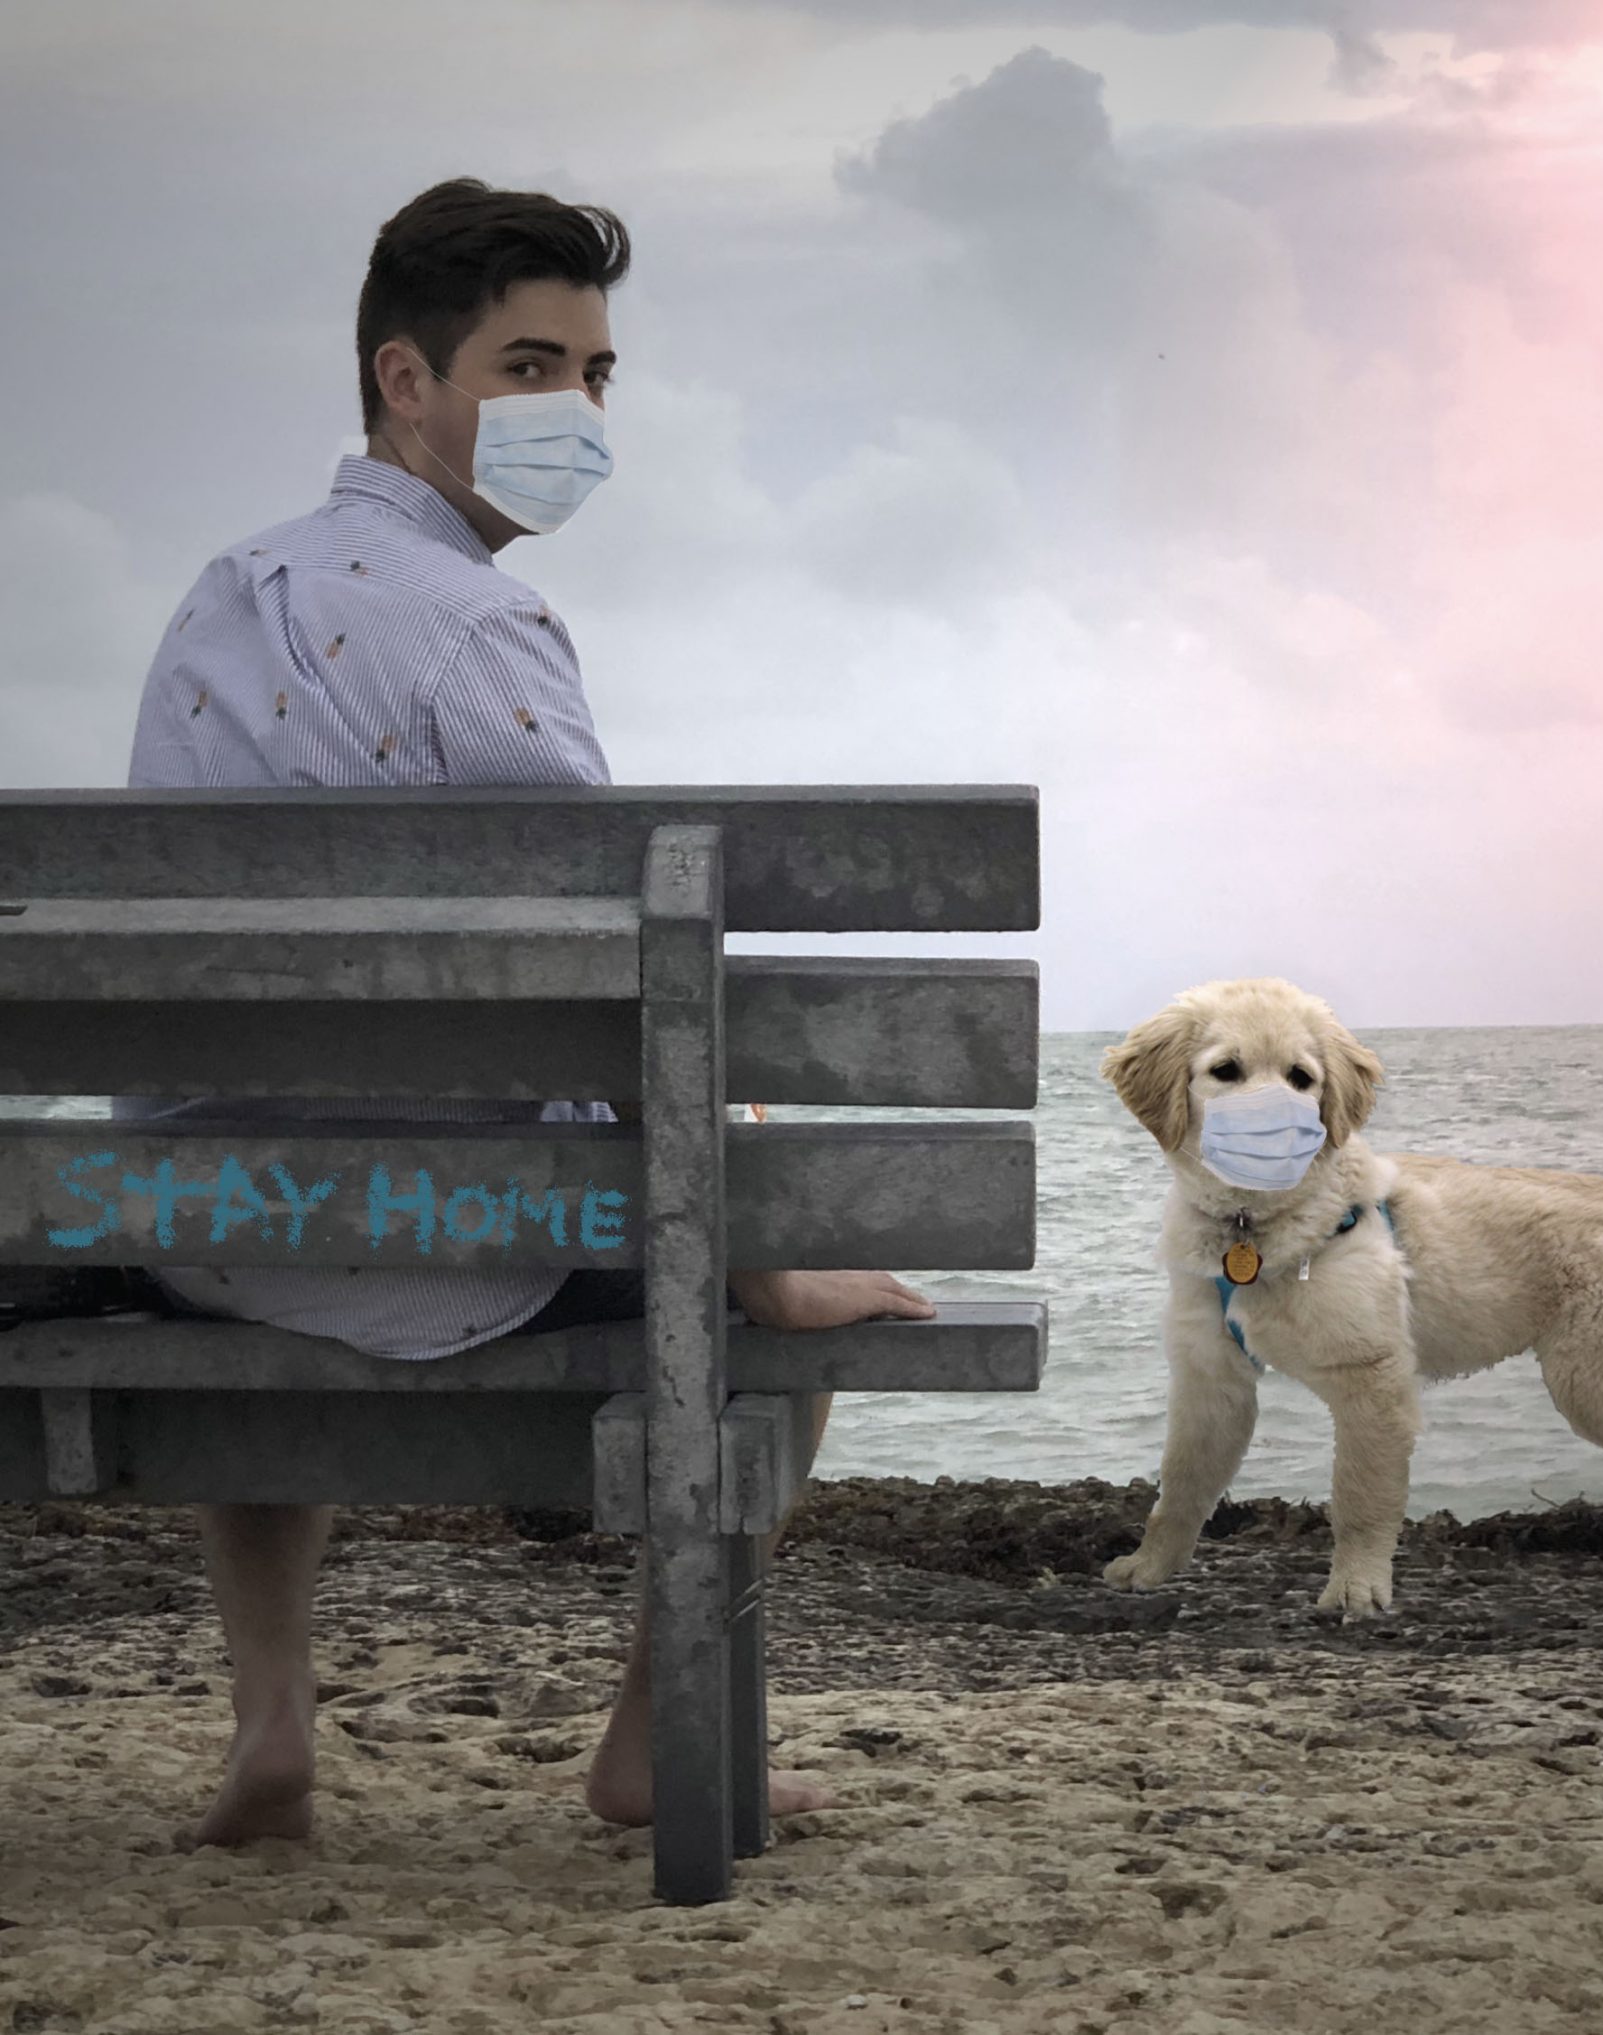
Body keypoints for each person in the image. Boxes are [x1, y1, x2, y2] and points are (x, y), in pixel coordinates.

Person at [119, 177, 933, 1846]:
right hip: (460, 1235)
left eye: (595, 375)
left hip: (203, 1230)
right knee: (786, 1307)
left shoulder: (218, 599)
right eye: (531, 367)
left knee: (265, 1156)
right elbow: (626, 978)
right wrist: (767, 1246)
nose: (575, 411)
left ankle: (272, 1733)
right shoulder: (481, 624)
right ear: (405, 382)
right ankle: (649, 1748)